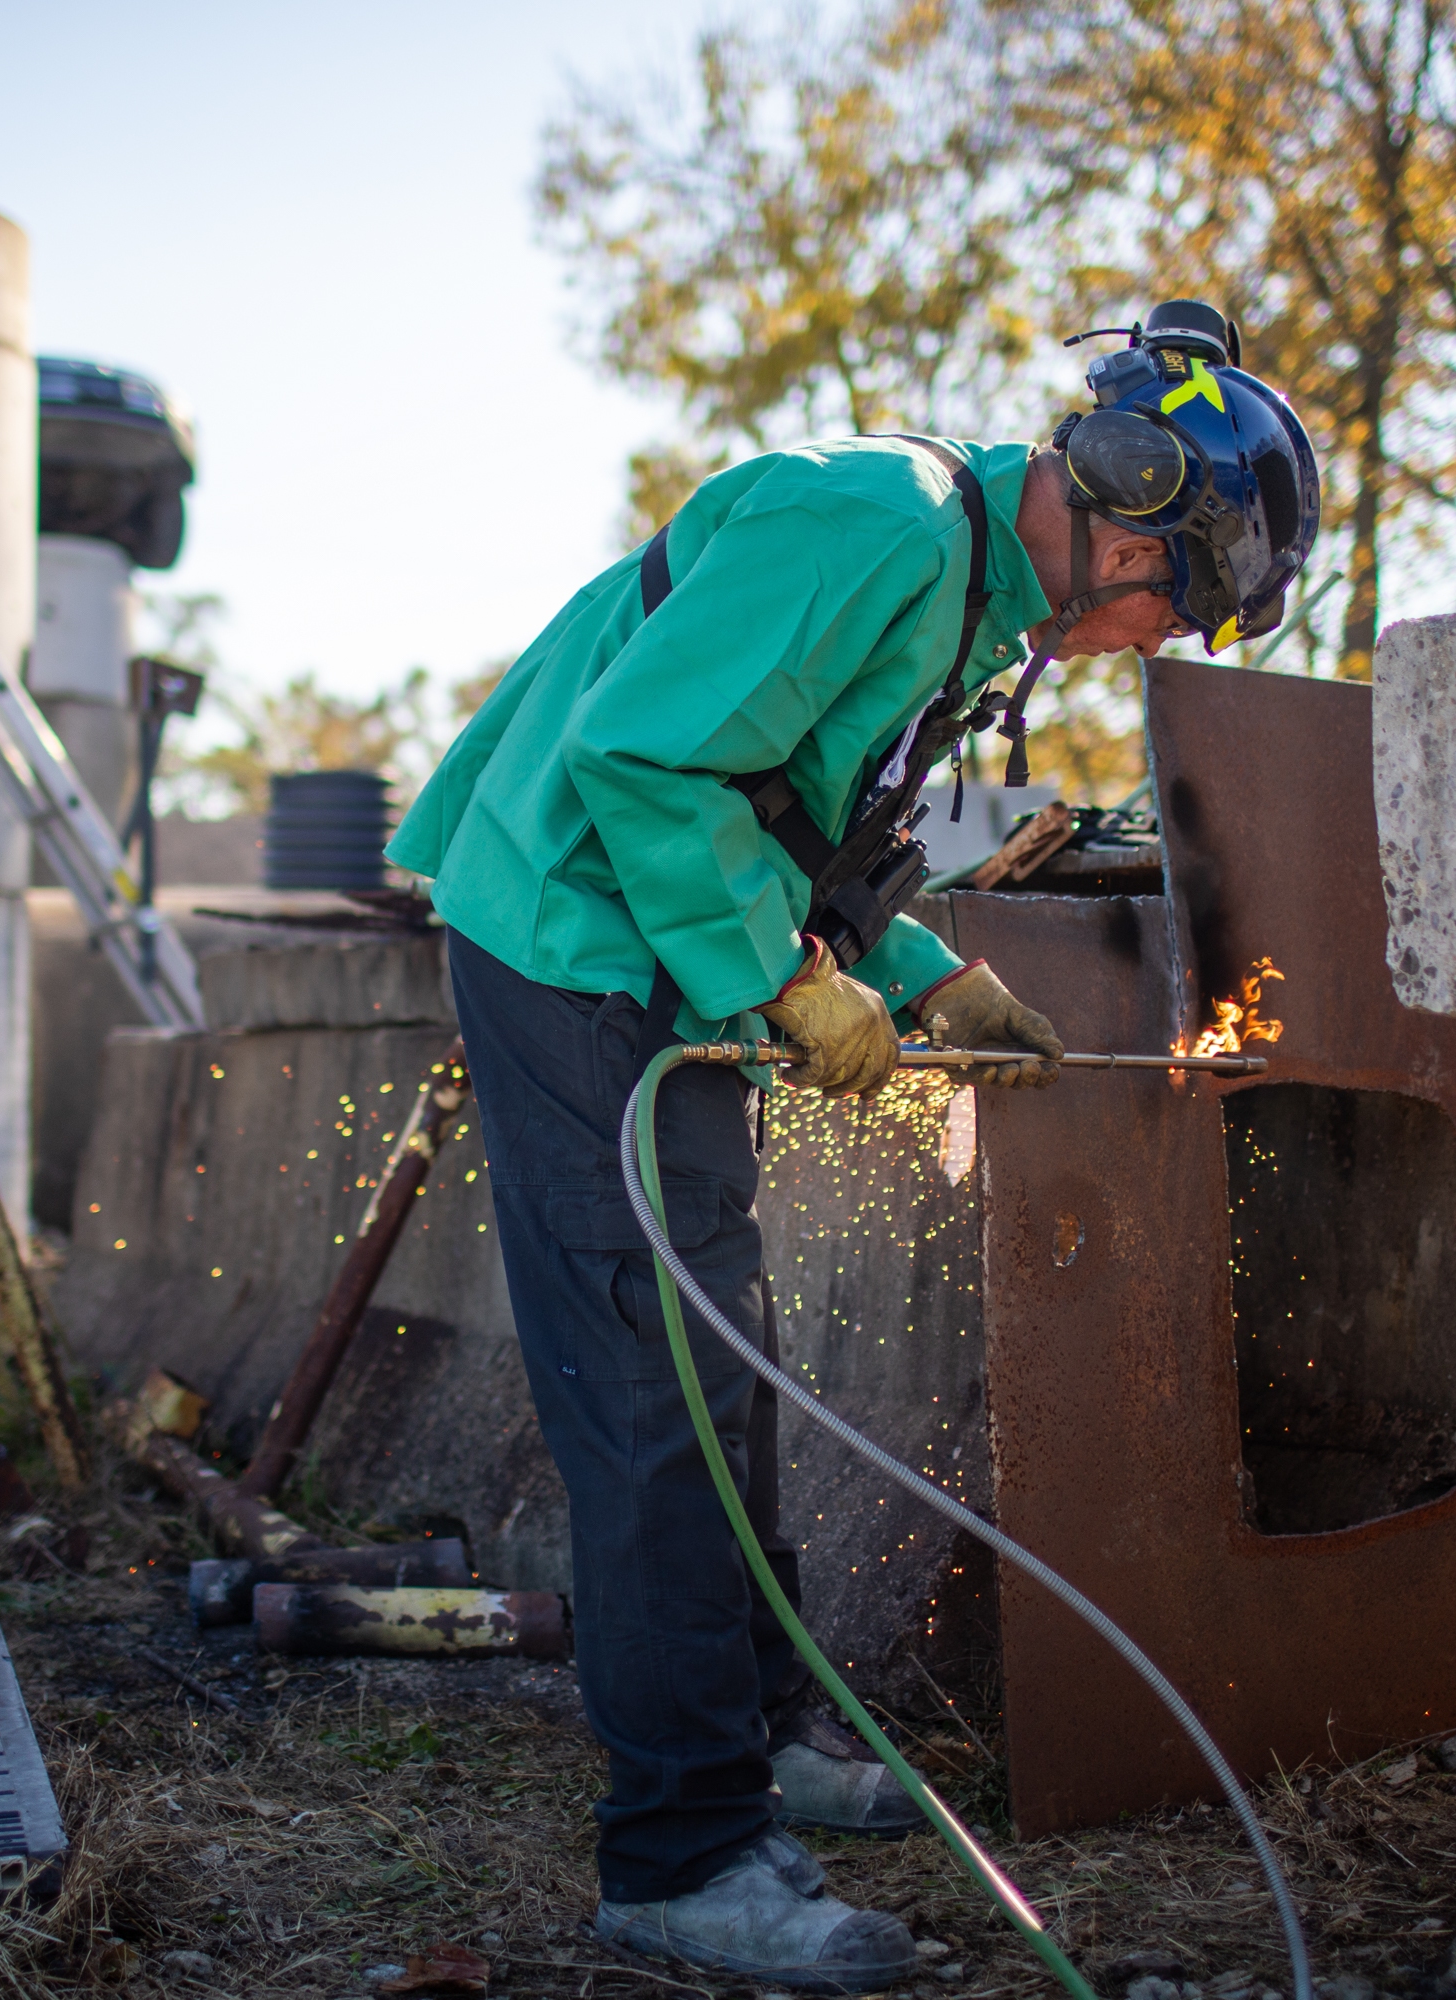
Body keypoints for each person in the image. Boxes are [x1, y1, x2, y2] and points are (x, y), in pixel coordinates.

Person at [386, 300, 1321, 1993]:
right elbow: (641, 759)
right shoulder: (870, 524)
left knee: (719, 1356)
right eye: (1172, 599)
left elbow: (802, 818)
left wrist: (928, 979)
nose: (1148, 639)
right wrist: (780, 990)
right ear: (1121, 493)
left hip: (658, 936)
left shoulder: (971, 600)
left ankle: (759, 1734)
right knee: (656, 1386)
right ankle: (682, 1857)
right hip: (574, 941)